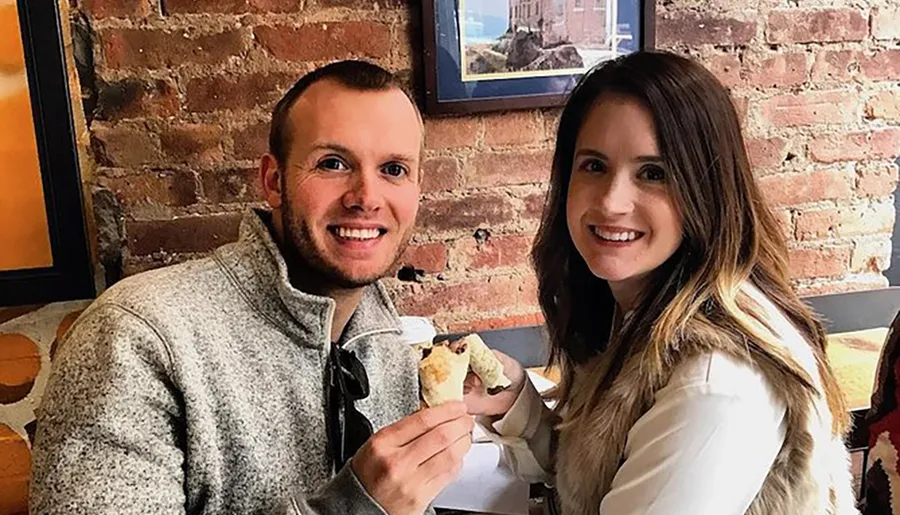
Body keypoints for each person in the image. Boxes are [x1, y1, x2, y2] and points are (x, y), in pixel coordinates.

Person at [30, 60, 474, 515]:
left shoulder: (384, 334)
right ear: (273, 181)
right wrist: (352, 507)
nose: (366, 196)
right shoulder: (134, 336)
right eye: (333, 163)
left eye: (394, 169)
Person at [464, 51, 859, 514]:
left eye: (654, 173)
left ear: (704, 190)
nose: (612, 202)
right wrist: (519, 406)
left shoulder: (715, 382)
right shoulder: (644, 303)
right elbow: (603, 476)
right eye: (594, 165)